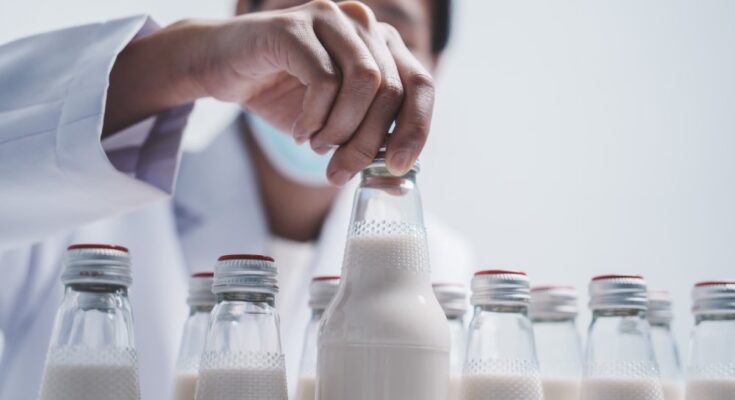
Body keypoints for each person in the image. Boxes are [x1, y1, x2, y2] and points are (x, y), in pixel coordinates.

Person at [0, 0, 474, 398]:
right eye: (318, 18)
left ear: (433, 67)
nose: (354, 57)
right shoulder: (72, 205)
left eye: (389, 31)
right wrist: (181, 61)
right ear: (246, 17)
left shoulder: (443, 273)